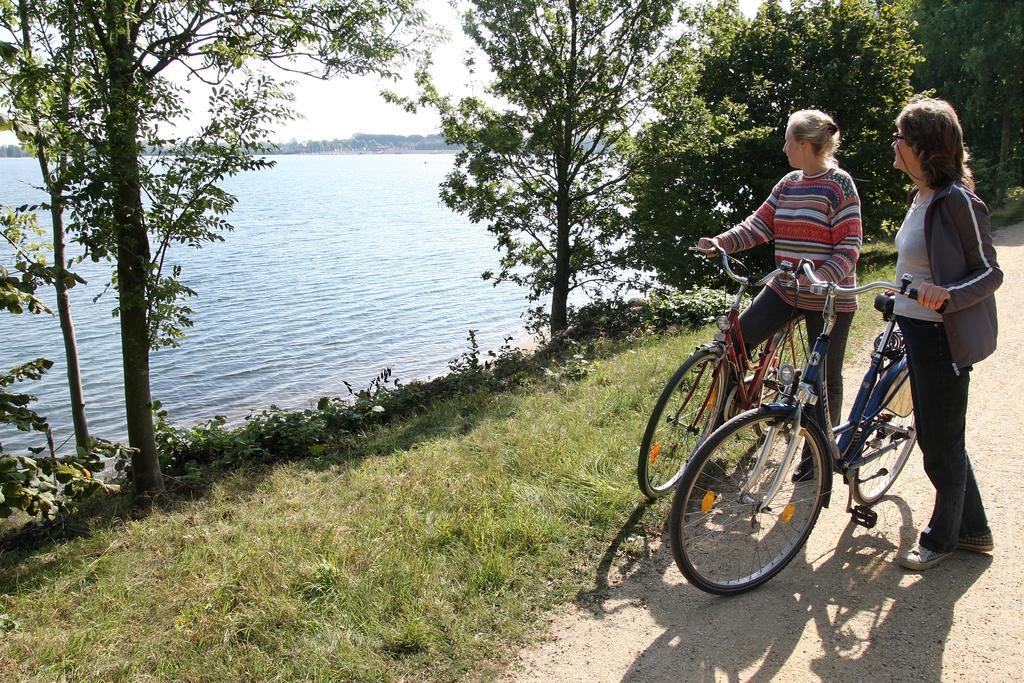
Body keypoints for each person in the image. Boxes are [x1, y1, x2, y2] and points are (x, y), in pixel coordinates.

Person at [697, 109, 863, 459]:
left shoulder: (839, 185)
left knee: (823, 381)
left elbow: (850, 245)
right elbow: (759, 225)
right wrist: (721, 242)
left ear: (803, 143)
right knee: (734, 344)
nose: (784, 146)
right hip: (786, 289)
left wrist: (822, 276)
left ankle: (816, 457)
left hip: (829, 297)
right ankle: (721, 424)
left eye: (788, 139)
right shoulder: (788, 184)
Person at [890, 97, 1002, 571]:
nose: (894, 143)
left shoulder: (956, 199)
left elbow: (990, 273)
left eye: (902, 136)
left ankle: (942, 538)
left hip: (941, 336)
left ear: (924, 146)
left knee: (938, 443)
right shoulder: (920, 196)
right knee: (940, 436)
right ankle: (973, 530)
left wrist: (947, 295)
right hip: (915, 328)